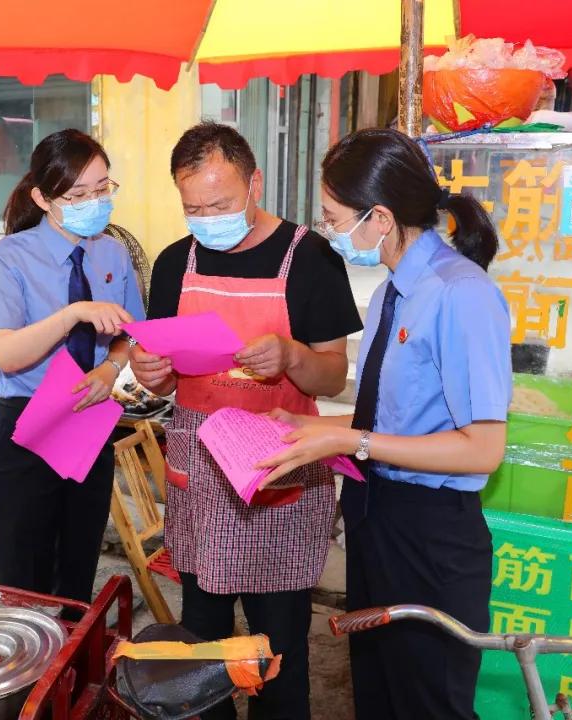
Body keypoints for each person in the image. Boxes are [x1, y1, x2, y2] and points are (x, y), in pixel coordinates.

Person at [258, 128, 512, 720]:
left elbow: (482, 448)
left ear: (379, 217)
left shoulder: (461, 294)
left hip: (432, 537)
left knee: (428, 700)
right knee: (377, 688)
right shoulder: (392, 293)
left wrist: (349, 439)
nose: (327, 232)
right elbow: (393, 417)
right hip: (378, 515)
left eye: (331, 218)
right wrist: (309, 428)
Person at [130, 122, 362, 720]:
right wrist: (150, 370)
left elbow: (332, 377)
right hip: (199, 471)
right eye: (194, 207)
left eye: (222, 202)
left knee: (277, 639)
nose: (208, 217)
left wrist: (291, 356)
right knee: (202, 636)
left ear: (254, 182)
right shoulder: (175, 261)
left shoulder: (310, 256)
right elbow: (160, 371)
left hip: (277, 466)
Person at [0, 129, 145, 613]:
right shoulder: (8, 258)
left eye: (103, 189)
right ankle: (28, 674)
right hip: (29, 423)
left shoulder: (113, 253)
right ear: (43, 198)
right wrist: (72, 314)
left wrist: (111, 370)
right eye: (78, 195)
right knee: (23, 574)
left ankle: (70, 669)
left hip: (89, 418)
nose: (95, 202)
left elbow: (131, 332)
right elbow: (6, 355)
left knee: (77, 568)